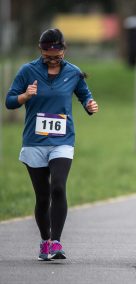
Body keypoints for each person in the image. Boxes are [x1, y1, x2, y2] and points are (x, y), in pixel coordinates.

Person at [5, 28, 99, 261]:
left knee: (58, 186)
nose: (53, 58)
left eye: (57, 53)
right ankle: (45, 240)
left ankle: (56, 241)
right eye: (48, 53)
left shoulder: (74, 72)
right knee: (42, 196)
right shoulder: (28, 71)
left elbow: (84, 94)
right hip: (34, 141)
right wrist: (25, 96)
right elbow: (9, 101)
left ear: (64, 50)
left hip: (62, 140)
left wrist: (89, 104)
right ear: (41, 50)